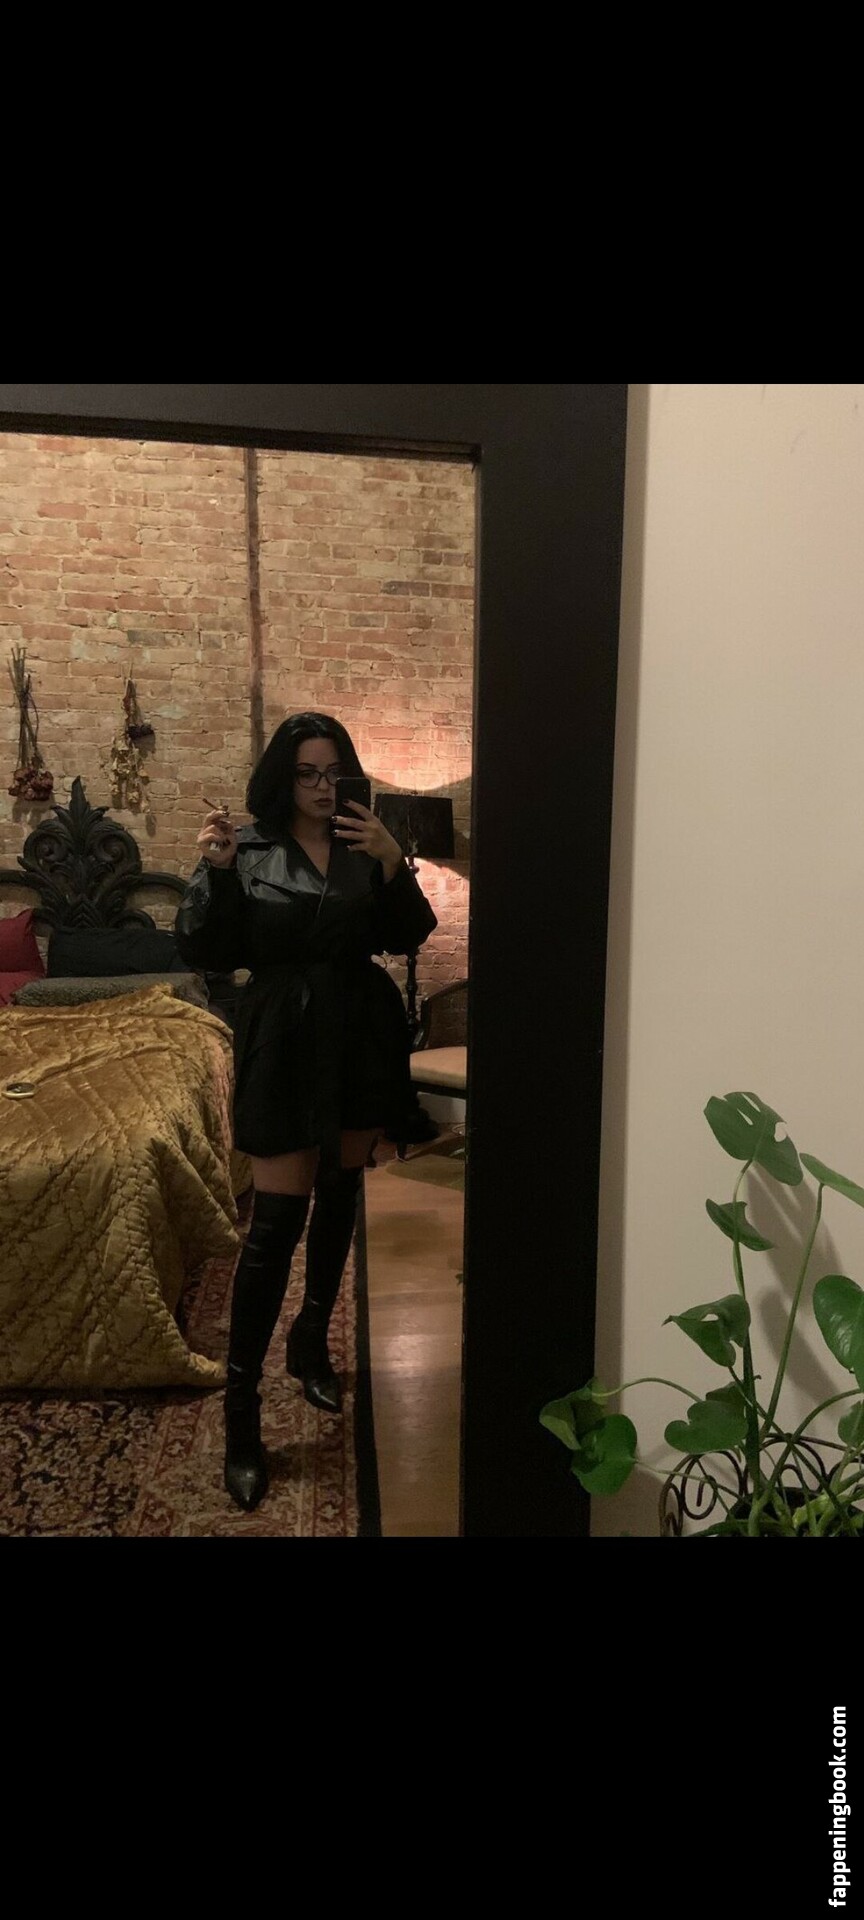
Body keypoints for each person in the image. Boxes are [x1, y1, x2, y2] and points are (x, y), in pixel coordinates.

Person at [174, 711, 438, 1513]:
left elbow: (408, 938)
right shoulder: (247, 849)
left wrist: (393, 863)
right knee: (273, 1228)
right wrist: (220, 872)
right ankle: (242, 1414)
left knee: (342, 1193)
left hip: (359, 1031)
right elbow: (209, 951)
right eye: (307, 774)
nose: (323, 788)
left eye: (334, 772)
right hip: (284, 1038)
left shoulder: (365, 844)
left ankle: (312, 1340)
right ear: (282, 778)